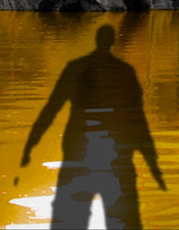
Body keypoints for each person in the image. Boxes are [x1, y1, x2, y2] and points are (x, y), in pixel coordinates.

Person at [21, 25, 166, 229]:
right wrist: (153, 164)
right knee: (124, 220)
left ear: (96, 41)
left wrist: (30, 145)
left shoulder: (76, 67)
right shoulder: (124, 71)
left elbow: (51, 109)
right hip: (114, 155)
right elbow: (138, 120)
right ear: (112, 42)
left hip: (79, 156)